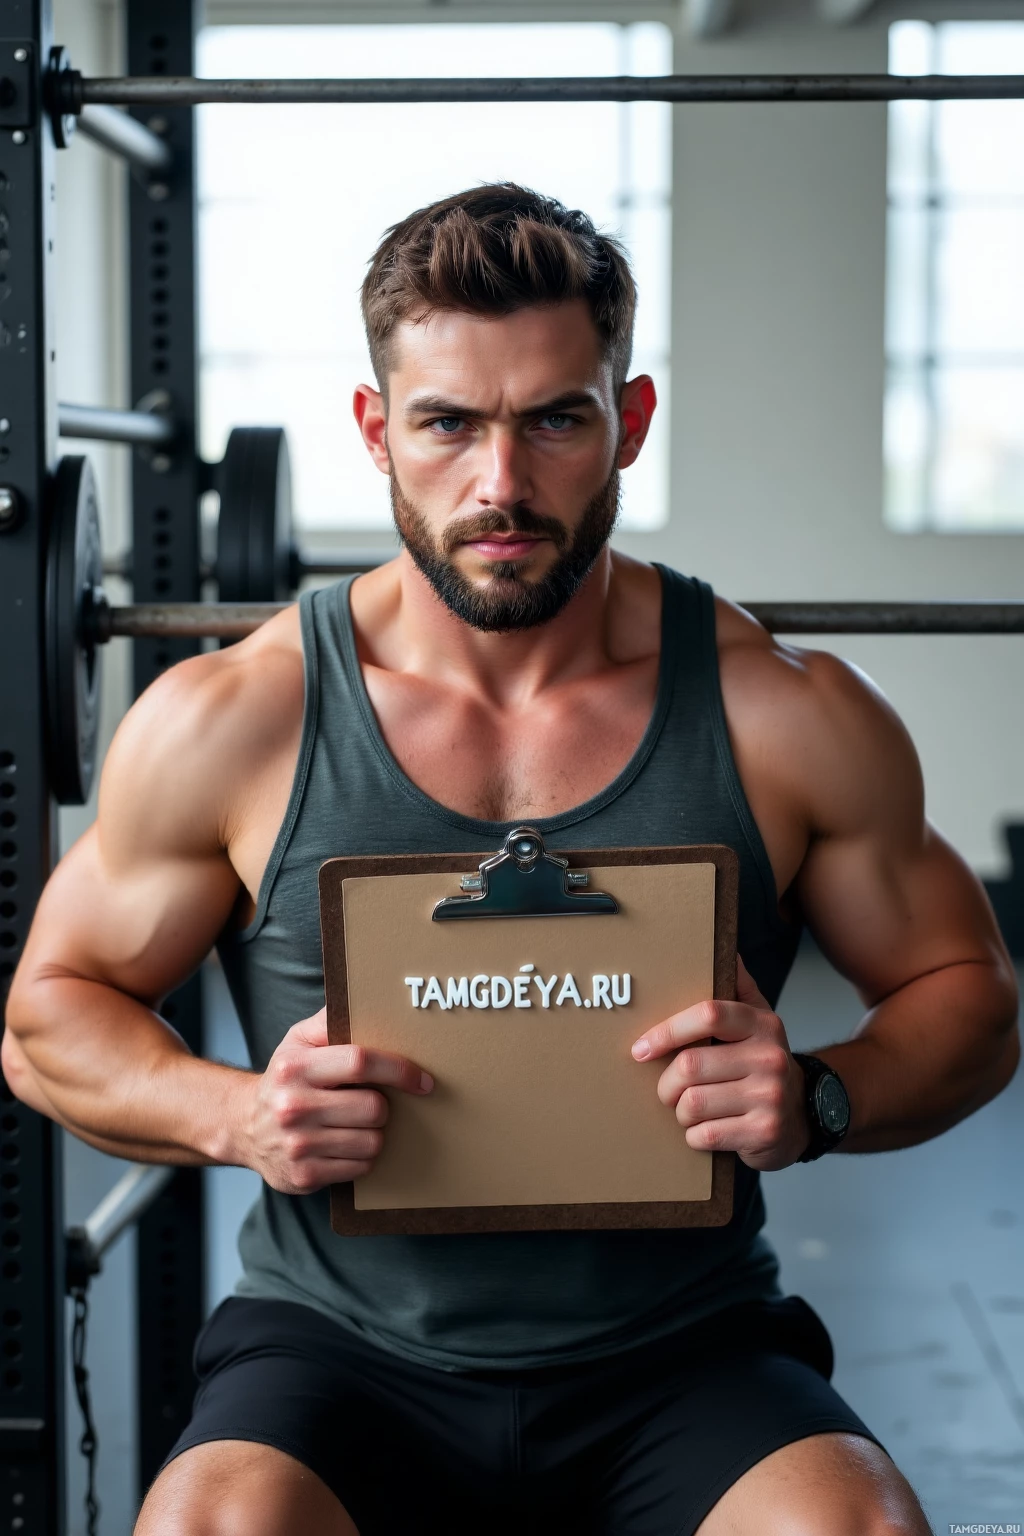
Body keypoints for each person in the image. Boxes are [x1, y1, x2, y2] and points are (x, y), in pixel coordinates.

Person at [4, 184, 1018, 1536]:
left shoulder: (785, 713)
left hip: (683, 1349)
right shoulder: (237, 721)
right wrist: (235, 1115)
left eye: (555, 419)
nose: (502, 483)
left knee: (859, 1528)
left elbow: (971, 992)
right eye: (447, 425)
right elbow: (44, 1019)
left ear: (629, 422)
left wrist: (819, 1099)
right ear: (376, 433)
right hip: (341, 1351)